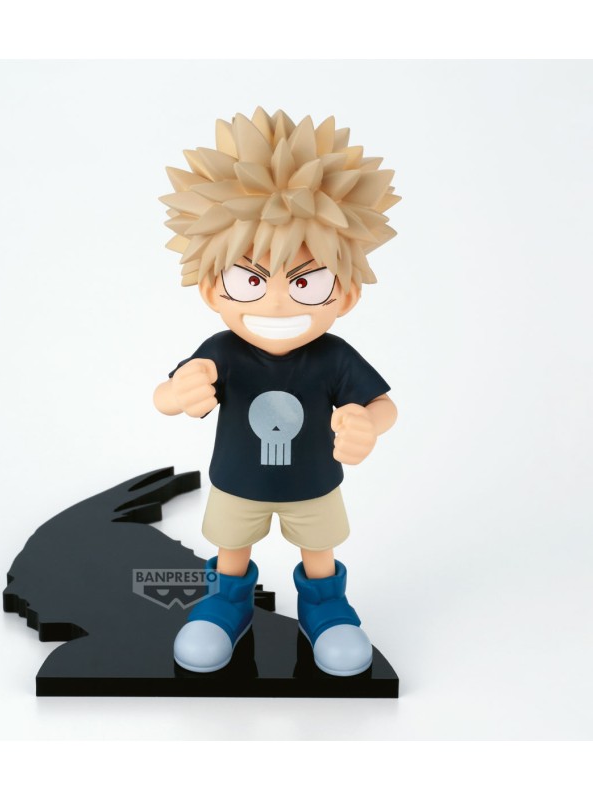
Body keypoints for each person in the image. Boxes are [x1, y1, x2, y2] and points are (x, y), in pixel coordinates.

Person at [154, 108, 400, 676]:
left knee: (320, 555)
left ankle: (326, 608)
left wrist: (368, 424)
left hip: (314, 486)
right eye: (251, 280)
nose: (278, 301)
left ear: (347, 295)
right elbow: (164, 396)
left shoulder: (333, 356)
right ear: (212, 289)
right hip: (236, 484)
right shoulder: (221, 349)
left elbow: (383, 404)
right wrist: (178, 393)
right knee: (230, 551)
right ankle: (227, 602)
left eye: (307, 281)